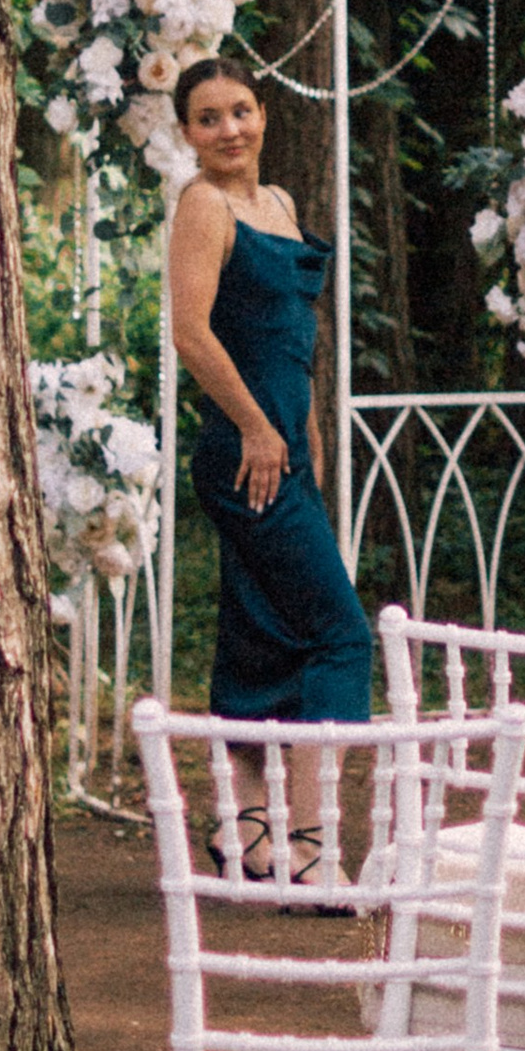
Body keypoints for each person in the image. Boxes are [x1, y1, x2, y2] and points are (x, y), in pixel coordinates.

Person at [166, 54, 371, 872]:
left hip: (287, 444)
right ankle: (315, 842)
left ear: (264, 115)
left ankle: (241, 828)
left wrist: (307, 432)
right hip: (243, 450)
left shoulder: (279, 204)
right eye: (208, 118)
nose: (229, 129)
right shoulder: (203, 206)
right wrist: (254, 426)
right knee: (342, 635)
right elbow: (192, 333)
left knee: (259, 631)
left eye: (241, 110)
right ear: (186, 133)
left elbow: (294, 342)